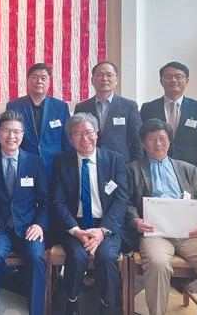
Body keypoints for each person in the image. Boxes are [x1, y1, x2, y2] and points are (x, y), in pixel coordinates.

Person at [126, 118, 197, 315]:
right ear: (144, 143)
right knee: (158, 264)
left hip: (188, 232)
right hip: (155, 233)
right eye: (152, 139)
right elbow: (126, 202)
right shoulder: (132, 169)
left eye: (162, 138)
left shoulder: (188, 169)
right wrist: (136, 221)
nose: (158, 143)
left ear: (170, 141)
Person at [51, 113, 128, 315]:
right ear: (70, 139)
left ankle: (108, 305)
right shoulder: (61, 160)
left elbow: (121, 199)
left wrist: (102, 231)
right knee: (76, 257)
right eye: (77, 134)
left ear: (97, 134)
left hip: (106, 224)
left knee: (107, 257)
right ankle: (72, 301)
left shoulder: (114, 160)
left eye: (88, 132)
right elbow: (57, 201)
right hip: (74, 224)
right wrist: (76, 231)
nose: (84, 138)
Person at [0, 110, 48, 315]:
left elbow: (45, 201)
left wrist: (39, 225)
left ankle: (37, 312)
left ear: (22, 134)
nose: (11, 136)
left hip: (28, 227)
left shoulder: (35, 162)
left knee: (36, 256)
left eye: (16, 131)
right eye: (6, 131)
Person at [140, 61, 197, 193]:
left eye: (178, 76)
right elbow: (141, 140)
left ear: (186, 81)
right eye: (168, 77)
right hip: (154, 170)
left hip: (189, 171)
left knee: (188, 204)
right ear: (161, 81)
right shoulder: (148, 108)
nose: (174, 80)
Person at [6, 63, 71, 178]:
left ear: (49, 82)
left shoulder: (61, 107)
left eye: (43, 78)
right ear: (28, 80)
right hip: (24, 164)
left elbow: (67, 140)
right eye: (35, 77)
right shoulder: (14, 106)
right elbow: (9, 137)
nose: (39, 81)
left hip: (54, 165)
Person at [74, 61, 143, 162]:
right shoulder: (81, 107)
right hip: (90, 163)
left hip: (121, 164)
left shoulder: (129, 106)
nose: (104, 79)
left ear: (116, 80)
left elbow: (138, 140)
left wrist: (135, 166)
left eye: (109, 75)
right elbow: (76, 138)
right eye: (100, 75)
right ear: (92, 80)